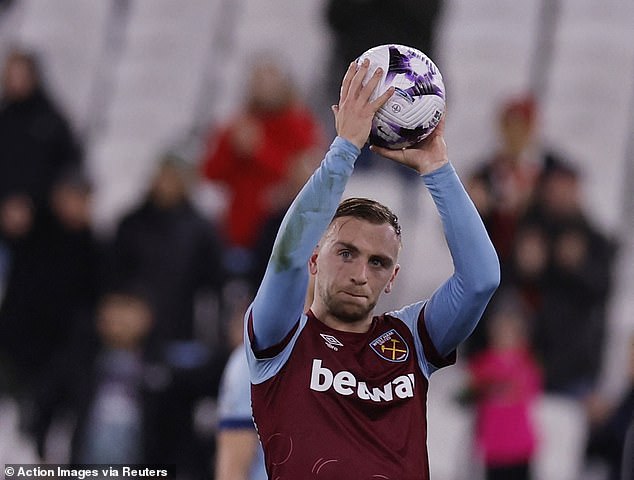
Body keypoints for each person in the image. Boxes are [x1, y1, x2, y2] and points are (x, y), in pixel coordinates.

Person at [245, 59, 500, 478]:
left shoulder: (412, 338)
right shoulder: (281, 338)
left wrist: (437, 167)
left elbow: (481, 279)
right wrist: (343, 147)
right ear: (315, 259)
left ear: (392, 279)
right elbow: (286, 255)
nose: (361, 273)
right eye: (345, 253)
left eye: (378, 262)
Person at [200, 56, 323, 279]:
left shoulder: (300, 125)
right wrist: (234, 148)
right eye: (258, 81)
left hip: (281, 232)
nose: (264, 88)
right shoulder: (238, 124)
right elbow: (210, 172)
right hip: (237, 231)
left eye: (270, 81)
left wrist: (259, 150)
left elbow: (304, 176)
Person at [467, 291, 542, 480]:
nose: (505, 335)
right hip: (494, 448)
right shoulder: (483, 364)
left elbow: (529, 389)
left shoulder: (526, 363)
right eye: (501, 329)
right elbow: (470, 391)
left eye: (511, 329)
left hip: (520, 448)